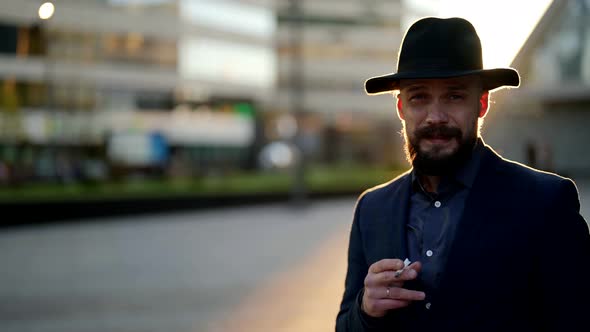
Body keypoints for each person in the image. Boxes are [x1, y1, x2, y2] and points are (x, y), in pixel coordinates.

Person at [336, 17, 590, 331]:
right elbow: (344, 326)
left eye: (454, 96)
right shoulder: (371, 209)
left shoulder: (546, 202)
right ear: (400, 107)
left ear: (481, 103)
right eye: (419, 97)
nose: (435, 116)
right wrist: (364, 309)